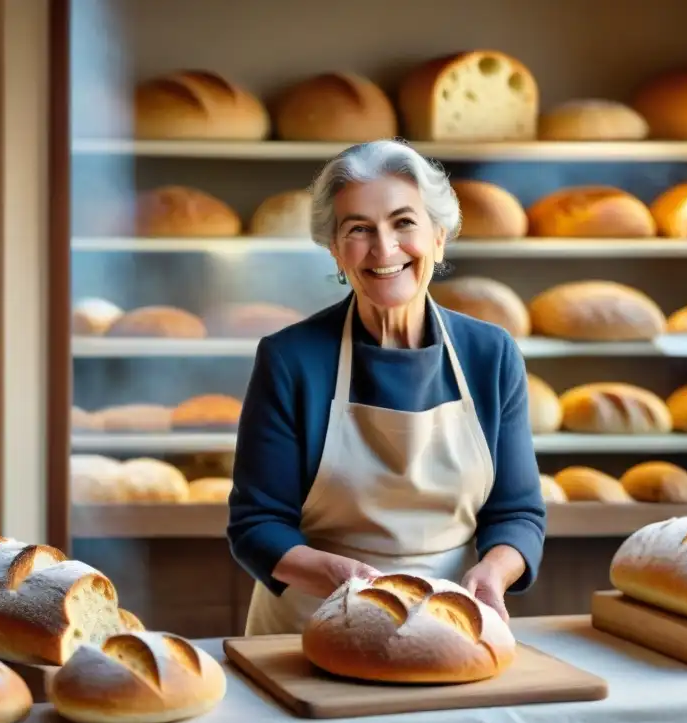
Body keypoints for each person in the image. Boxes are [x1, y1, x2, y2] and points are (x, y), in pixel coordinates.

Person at [227, 138, 546, 636]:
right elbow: (256, 525)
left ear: (439, 238)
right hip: (312, 626)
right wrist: (340, 576)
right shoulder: (290, 358)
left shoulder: (491, 354)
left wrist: (494, 573)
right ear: (335, 251)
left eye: (404, 223)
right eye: (359, 229)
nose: (384, 248)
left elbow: (517, 512)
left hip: (451, 625)